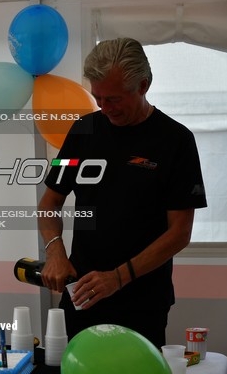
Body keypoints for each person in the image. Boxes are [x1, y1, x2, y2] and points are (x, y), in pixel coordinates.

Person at [37, 38, 207, 348]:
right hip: (82, 295)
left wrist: (118, 277)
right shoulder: (82, 131)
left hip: (143, 302)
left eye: (113, 99)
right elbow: (49, 203)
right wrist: (55, 251)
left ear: (143, 85)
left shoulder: (176, 141)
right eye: (98, 97)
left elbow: (179, 233)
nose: (104, 108)